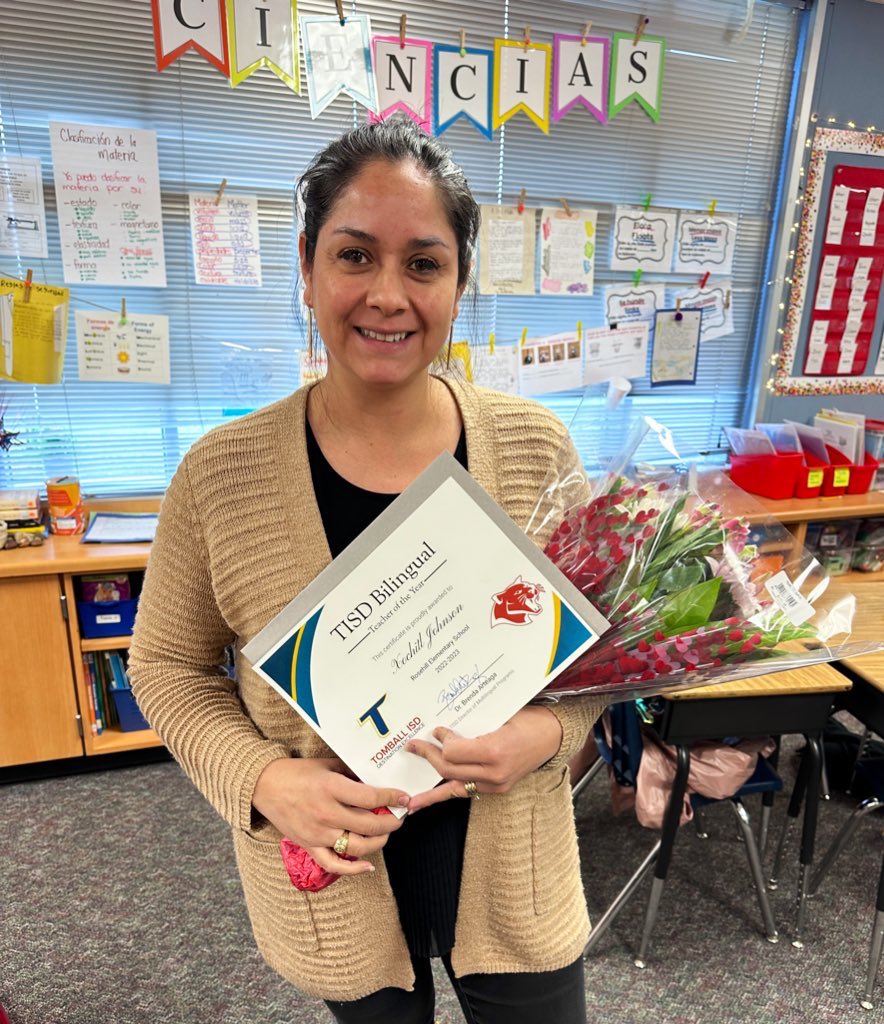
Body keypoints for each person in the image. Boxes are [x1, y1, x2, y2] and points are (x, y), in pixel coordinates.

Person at [128, 118, 606, 1024]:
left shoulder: (535, 449)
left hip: (512, 865)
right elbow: (167, 669)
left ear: (460, 283)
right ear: (308, 265)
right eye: (356, 256)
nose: (388, 295)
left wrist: (544, 738)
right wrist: (266, 783)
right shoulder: (221, 473)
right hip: (338, 880)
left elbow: (596, 658)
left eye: (423, 264)